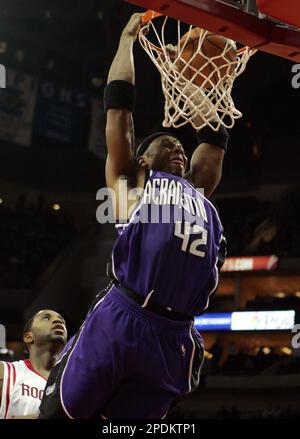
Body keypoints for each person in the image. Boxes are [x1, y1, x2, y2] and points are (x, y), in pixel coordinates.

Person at [39, 13, 227, 419]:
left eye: (180, 144)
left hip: (174, 335)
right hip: (125, 316)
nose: (177, 147)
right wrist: (127, 40)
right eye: (165, 143)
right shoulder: (132, 184)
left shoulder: (197, 189)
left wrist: (190, 84)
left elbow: (214, 138)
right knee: (64, 413)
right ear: (143, 158)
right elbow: (118, 109)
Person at [0, 309, 67, 418]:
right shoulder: (5, 372)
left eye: (62, 321)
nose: (57, 321)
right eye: (46, 318)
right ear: (28, 337)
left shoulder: (69, 383)